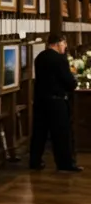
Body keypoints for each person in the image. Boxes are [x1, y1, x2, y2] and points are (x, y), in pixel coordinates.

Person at [30, 31, 81, 172]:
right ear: (58, 42)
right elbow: (68, 82)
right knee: (61, 134)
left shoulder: (40, 57)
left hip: (41, 101)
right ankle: (65, 164)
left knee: (39, 133)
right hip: (57, 102)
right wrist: (74, 82)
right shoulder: (60, 59)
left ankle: (35, 161)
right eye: (64, 43)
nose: (65, 46)